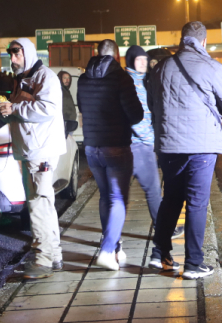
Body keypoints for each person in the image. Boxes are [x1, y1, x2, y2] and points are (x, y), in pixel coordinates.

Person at [147, 21, 222, 279]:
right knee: (197, 203)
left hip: (169, 144)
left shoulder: (162, 67)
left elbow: (152, 104)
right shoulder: (213, 68)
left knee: (171, 198)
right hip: (201, 146)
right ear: (203, 42)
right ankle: (193, 264)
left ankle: (160, 255)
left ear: (182, 40)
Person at [0, 39, 66, 279]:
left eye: (16, 53)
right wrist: (9, 110)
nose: (12, 58)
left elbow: (48, 109)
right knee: (43, 204)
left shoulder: (44, 77)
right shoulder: (25, 78)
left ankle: (43, 260)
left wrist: (13, 109)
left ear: (27, 52)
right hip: (32, 151)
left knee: (38, 205)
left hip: (40, 152)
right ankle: (53, 256)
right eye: (10, 54)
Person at [77, 39, 144, 271]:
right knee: (117, 199)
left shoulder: (84, 78)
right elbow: (136, 115)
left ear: (97, 54)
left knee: (106, 198)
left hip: (92, 147)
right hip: (116, 146)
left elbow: (82, 107)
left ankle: (114, 247)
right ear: (116, 56)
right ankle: (106, 250)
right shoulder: (121, 78)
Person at [125, 45, 177, 242]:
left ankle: (111, 239)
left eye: (145, 61)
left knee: (120, 194)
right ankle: (163, 230)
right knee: (153, 189)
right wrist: (150, 140)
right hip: (139, 144)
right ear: (130, 61)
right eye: (139, 60)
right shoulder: (132, 83)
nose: (143, 64)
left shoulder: (140, 81)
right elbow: (136, 118)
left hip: (135, 144)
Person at [56, 70, 78, 138]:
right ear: (60, 79)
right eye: (65, 78)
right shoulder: (59, 90)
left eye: (68, 78)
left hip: (69, 122)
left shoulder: (66, 90)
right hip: (64, 121)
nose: (67, 80)